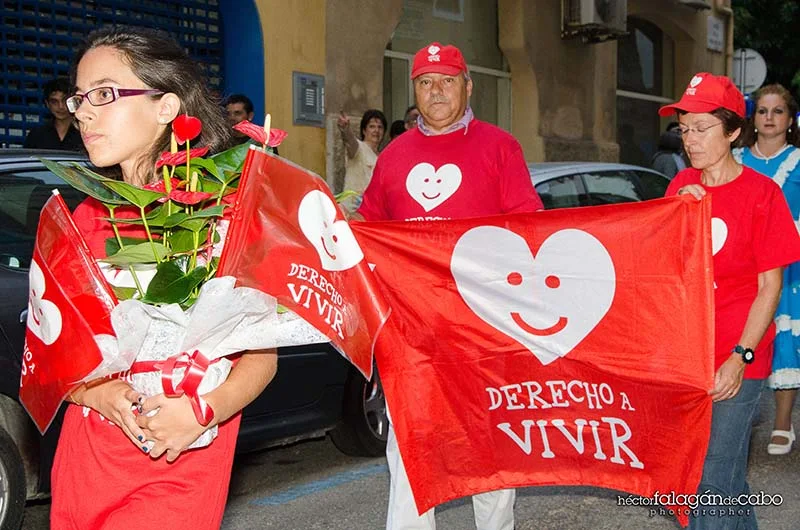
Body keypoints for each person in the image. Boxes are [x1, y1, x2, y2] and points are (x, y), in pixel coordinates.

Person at [51, 26, 278, 530]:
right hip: (90, 453)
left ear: (167, 107)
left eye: (104, 94)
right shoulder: (82, 218)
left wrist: (204, 411)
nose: (83, 111)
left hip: (182, 454)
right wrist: (94, 394)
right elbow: (52, 356)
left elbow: (262, 355)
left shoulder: (224, 214)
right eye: (79, 97)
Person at [355, 42, 543, 530]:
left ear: (468, 86)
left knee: (490, 448)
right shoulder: (394, 155)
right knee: (411, 450)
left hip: (483, 332)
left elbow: (530, 232)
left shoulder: (501, 148)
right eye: (424, 82)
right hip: (410, 335)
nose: (435, 91)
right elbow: (368, 226)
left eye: (446, 80)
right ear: (413, 90)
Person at [660, 73, 800, 530]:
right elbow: (658, 267)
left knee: (708, 481)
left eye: (702, 128)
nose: (690, 140)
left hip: (739, 353)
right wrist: (675, 214)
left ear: (734, 131)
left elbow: (770, 288)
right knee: (729, 485)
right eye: (684, 129)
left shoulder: (763, 195)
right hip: (687, 353)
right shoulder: (679, 184)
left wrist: (740, 357)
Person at [732, 83, 800, 455]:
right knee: (745, 334)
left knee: (785, 337)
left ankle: (782, 422)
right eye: (762, 111)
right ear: (752, 118)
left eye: (778, 111)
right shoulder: (736, 159)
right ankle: (739, 420)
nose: (769, 118)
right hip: (744, 262)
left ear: (790, 120)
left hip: (789, 263)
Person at [337, 108, 386, 205]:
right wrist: (345, 129)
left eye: (380, 127)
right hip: (352, 210)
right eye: (372, 127)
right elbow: (349, 141)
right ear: (364, 130)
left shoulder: (384, 157)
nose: (376, 130)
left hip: (372, 211)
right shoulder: (359, 148)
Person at [23, 77, 84, 151]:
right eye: (54, 101)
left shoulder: (83, 132)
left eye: (64, 100)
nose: (60, 106)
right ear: (47, 104)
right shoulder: (37, 134)